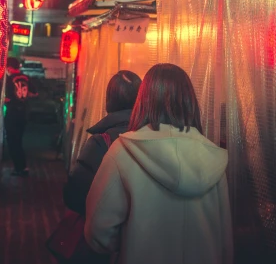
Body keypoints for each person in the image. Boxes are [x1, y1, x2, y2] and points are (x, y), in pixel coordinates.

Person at [85, 64, 233, 264]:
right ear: (190, 102)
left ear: (143, 100)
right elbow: (225, 239)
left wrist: (129, 243)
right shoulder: (212, 157)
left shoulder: (123, 151)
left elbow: (98, 231)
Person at [63, 70, 142, 215]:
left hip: (107, 229)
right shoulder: (155, 136)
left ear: (109, 100)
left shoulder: (100, 143)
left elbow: (75, 196)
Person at [4, 57, 37, 176]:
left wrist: (9, 100)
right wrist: (24, 96)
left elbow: (6, 97)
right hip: (23, 113)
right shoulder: (26, 78)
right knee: (18, 140)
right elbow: (35, 93)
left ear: (9, 67)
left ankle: (19, 168)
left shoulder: (9, 79)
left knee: (12, 141)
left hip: (12, 112)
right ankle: (22, 166)